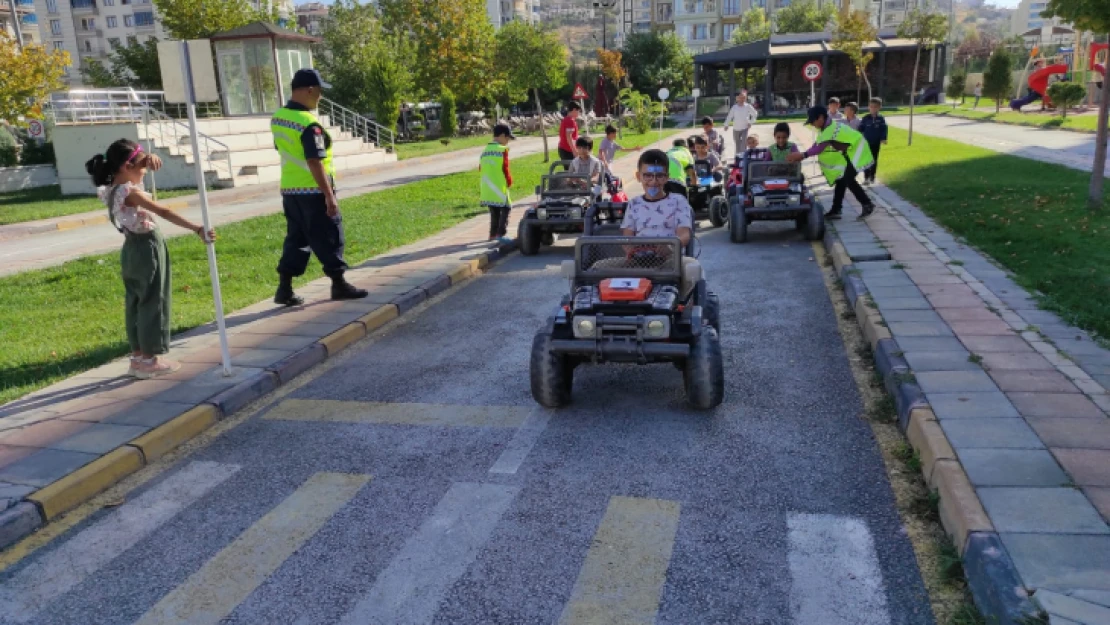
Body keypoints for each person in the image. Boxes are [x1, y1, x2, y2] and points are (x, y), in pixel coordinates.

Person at [85, 139, 216, 379]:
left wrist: (146, 158)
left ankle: (137, 357)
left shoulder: (111, 189)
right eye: (142, 165)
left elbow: (133, 176)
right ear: (126, 166)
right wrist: (197, 228)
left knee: (135, 302)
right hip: (148, 248)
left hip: (130, 249)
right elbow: (163, 211)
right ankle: (150, 359)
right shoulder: (131, 194)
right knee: (153, 301)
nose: (146, 169)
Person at [271, 69, 367, 306]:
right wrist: (329, 195)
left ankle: (284, 288)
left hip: (290, 191)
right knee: (330, 235)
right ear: (310, 90)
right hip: (313, 191)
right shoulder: (309, 124)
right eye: (320, 92)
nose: (321, 98)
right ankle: (339, 283)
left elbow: (282, 150)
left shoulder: (278, 117)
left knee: (297, 239)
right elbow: (314, 160)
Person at [787, 105, 875, 220]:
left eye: (813, 121)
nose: (812, 124)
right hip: (850, 152)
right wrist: (803, 154)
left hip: (857, 151)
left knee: (848, 179)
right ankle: (836, 210)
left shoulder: (829, 129)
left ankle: (867, 204)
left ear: (821, 118)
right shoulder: (826, 127)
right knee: (841, 180)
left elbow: (819, 148)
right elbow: (817, 144)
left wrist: (802, 155)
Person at [622, 149, 694, 248]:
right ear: (638, 176)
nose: (654, 181)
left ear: (667, 177)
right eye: (648, 176)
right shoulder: (634, 204)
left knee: (692, 264)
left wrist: (669, 248)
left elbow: (684, 234)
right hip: (640, 258)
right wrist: (632, 252)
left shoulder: (678, 201)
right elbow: (627, 238)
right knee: (600, 264)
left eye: (659, 176)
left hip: (673, 259)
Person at [480, 124, 515, 244]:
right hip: (499, 186)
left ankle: (492, 234)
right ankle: (501, 234)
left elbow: (481, 167)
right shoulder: (502, 150)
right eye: (507, 138)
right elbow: (505, 168)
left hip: (486, 186)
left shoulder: (485, 150)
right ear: (501, 136)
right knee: (506, 208)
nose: (508, 141)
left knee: (494, 211)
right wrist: (509, 181)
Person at [858, 97, 888, 185]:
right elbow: (860, 129)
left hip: (876, 142)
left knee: (874, 160)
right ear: (869, 107)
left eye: (875, 107)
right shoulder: (866, 118)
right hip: (866, 143)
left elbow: (884, 129)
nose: (873, 109)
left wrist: (883, 138)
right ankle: (866, 177)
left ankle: (872, 177)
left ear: (879, 107)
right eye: (871, 106)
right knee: (866, 160)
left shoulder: (881, 118)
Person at [722, 90, 758, 157]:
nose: (742, 99)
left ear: (746, 98)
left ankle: (744, 157)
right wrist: (726, 125)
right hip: (736, 128)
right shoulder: (734, 107)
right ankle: (737, 157)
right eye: (740, 97)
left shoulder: (748, 106)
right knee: (737, 144)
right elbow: (730, 116)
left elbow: (755, 114)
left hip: (745, 128)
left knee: (744, 144)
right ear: (737, 98)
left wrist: (751, 122)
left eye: (744, 97)